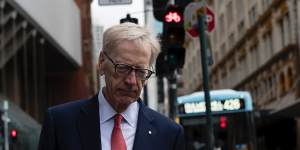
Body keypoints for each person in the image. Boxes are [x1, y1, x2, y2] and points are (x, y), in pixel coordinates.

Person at [38, 22, 185, 150]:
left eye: (140, 71)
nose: (131, 81)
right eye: (122, 67)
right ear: (102, 62)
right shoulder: (60, 123)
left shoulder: (170, 134)